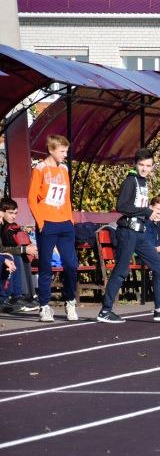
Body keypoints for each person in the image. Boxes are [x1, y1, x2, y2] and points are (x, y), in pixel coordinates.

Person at [97, 148, 160, 323]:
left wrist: (149, 215)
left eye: (148, 165)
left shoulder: (143, 182)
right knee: (121, 271)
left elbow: (139, 209)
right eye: (141, 165)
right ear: (135, 164)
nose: (144, 168)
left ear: (153, 166)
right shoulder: (131, 181)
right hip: (127, 232)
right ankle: (105, 311)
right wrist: (147, 211)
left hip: (139, 233)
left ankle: (159, 309)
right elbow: (121, 206)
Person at [28, 134, 78, 322]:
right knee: (46, 265)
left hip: (65, 224)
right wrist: (41, 223)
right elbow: (32, 198)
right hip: (47, 224)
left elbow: (66, 198)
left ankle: (70, 301)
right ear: (51, 150)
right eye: (62, 151)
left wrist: (70, 219)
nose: (65, 155)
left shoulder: (64, 169)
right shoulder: (40, 169)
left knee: (71, 265)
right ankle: (44, 306)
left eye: (66, 151)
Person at [0, 198, 40, 314]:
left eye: (16, 213)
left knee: (22, 256)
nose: (14, 216)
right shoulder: (2, 226)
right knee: (15, 257)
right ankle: (12, 297)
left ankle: (26, 295)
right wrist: (23, 249)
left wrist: (28, 248)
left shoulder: (12, 226)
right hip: (5, 256)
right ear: (2, 211)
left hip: (8, 255)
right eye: (10, 213)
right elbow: (2, 248)